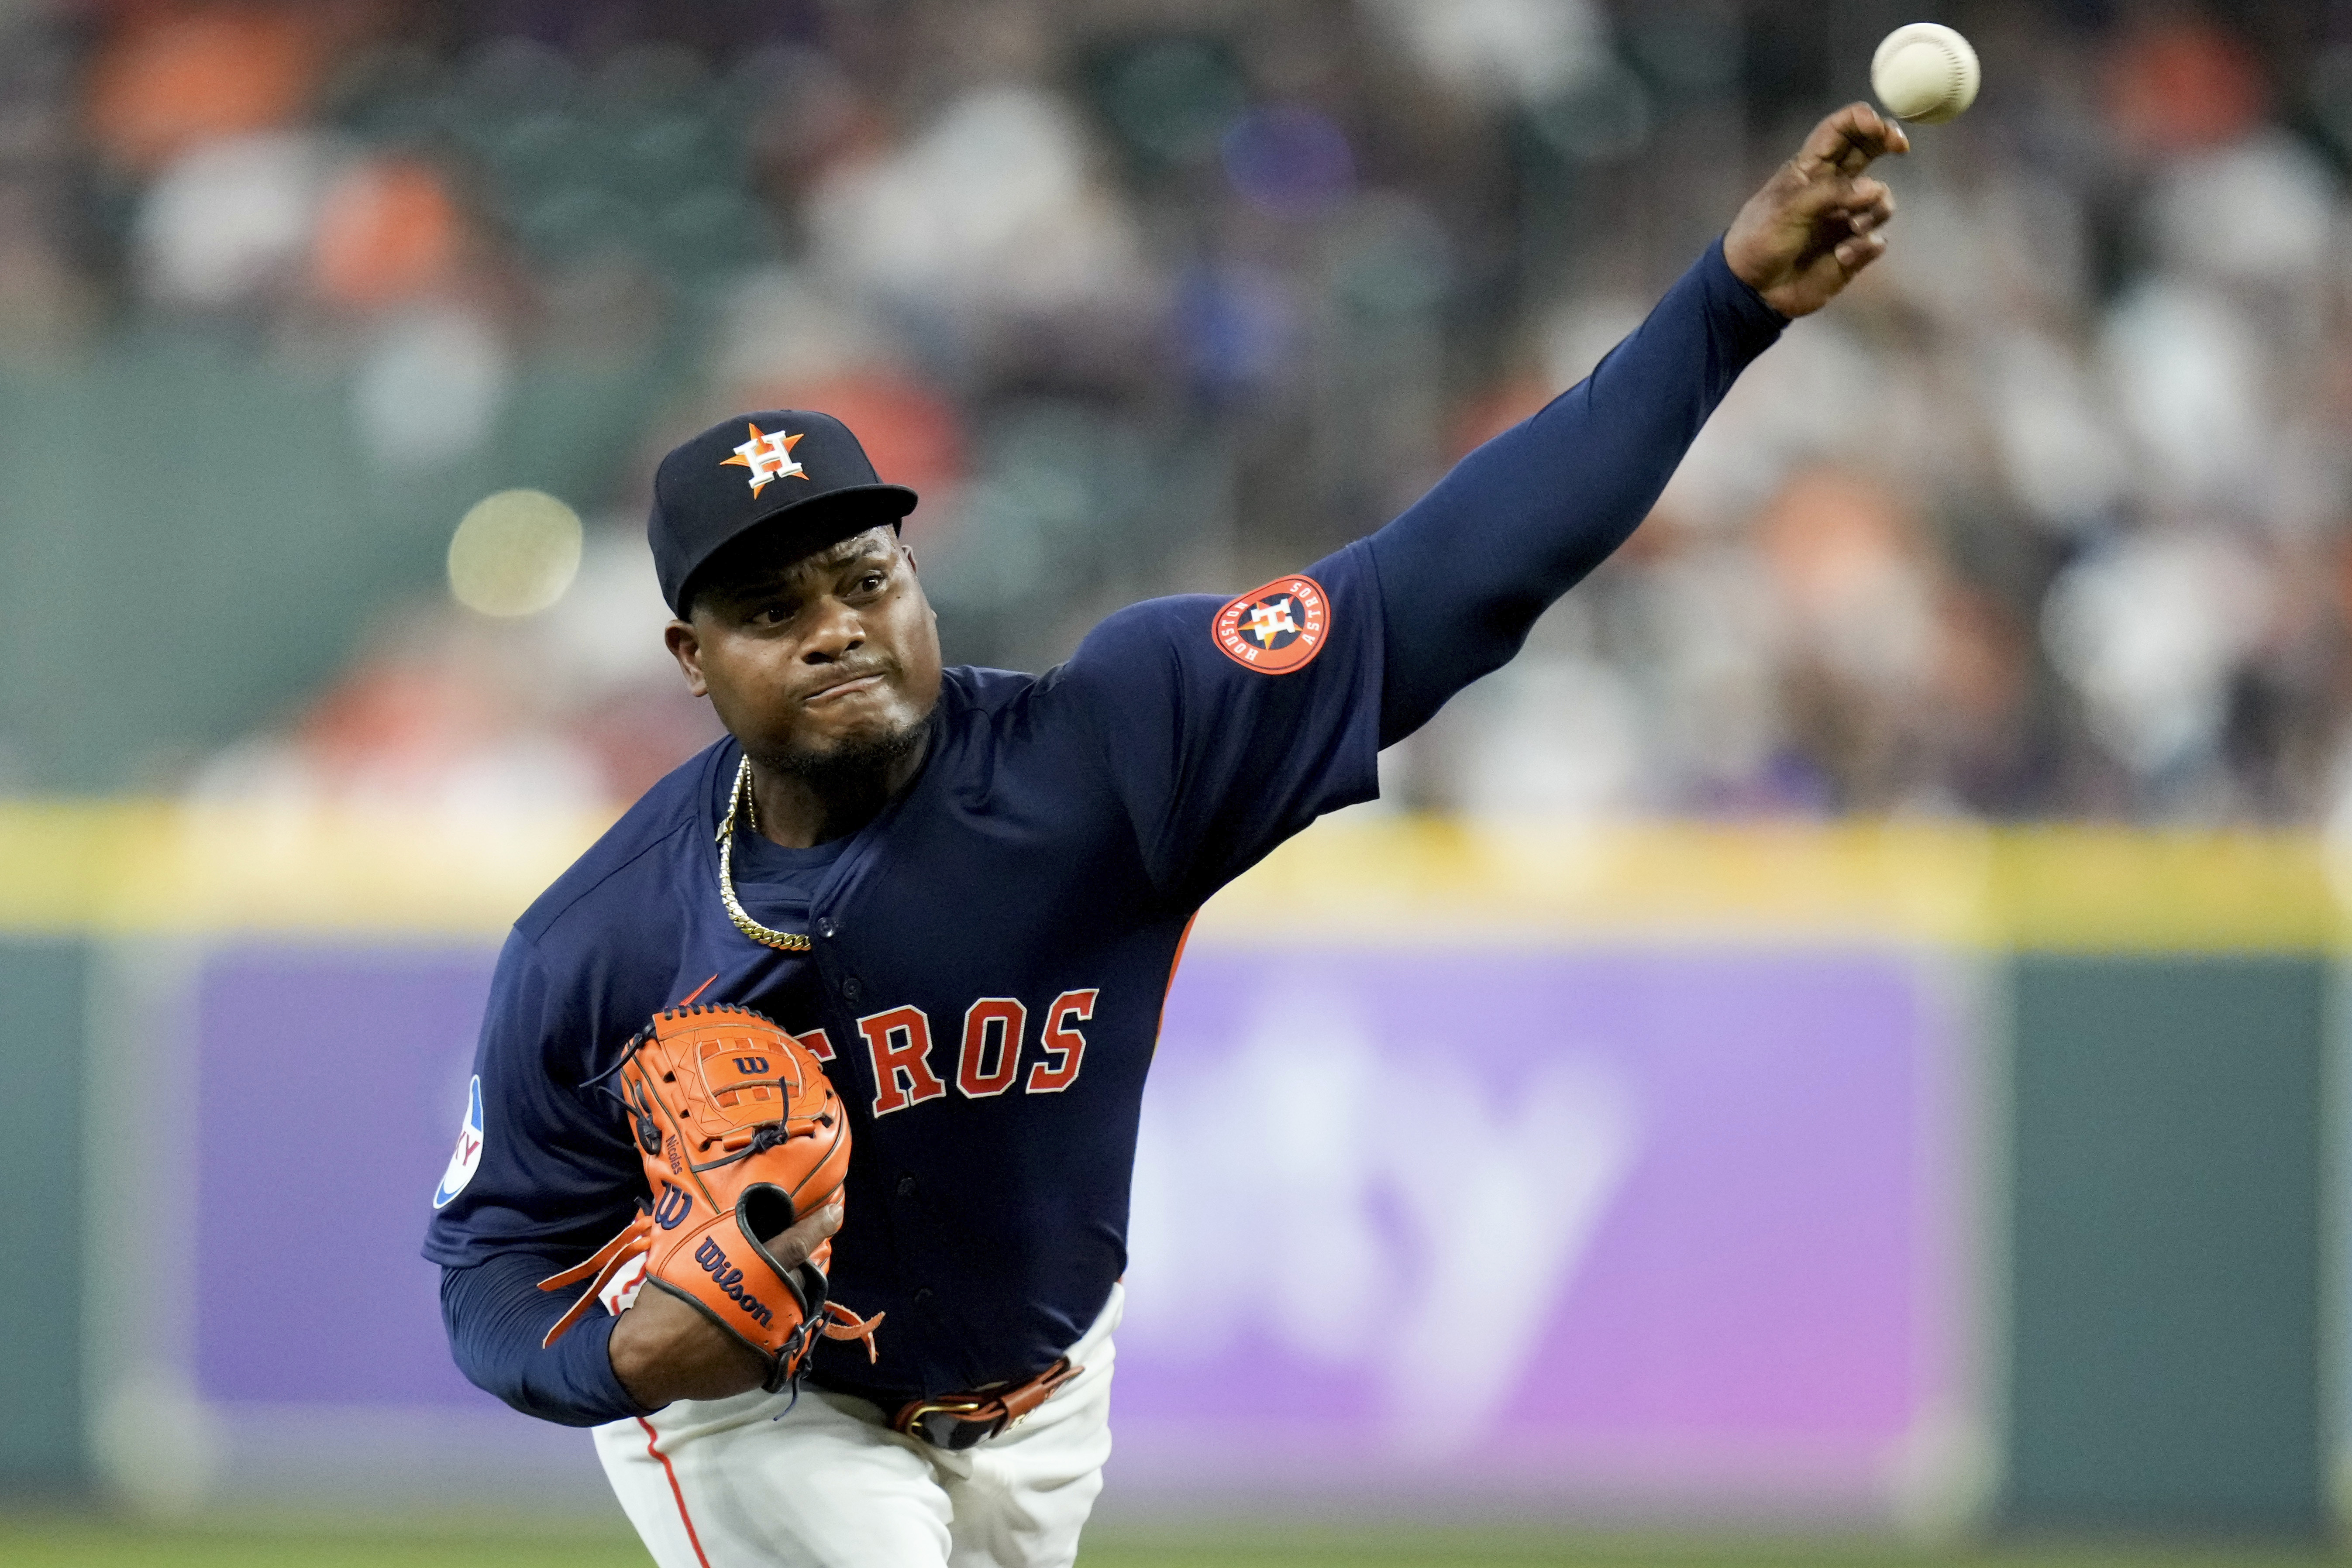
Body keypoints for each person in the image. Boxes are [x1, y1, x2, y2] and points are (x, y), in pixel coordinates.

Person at [424, 104, 1908, 1568]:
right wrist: (622, 1365)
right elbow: (492, 1265)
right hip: (761, 1414)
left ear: (917, 576)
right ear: (693, 659)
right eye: (770, 611)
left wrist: (1722, 313)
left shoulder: (1112, 751)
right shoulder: (603, 940)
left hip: (1047, 1394)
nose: (834, 631)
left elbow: (1442, 583)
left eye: (862, 579)